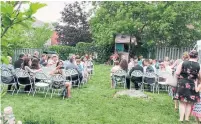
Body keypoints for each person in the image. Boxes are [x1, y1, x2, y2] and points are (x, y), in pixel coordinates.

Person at [174, 50, 201, 122]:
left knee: (182, 102)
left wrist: (182, 76)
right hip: (192, 84)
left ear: (189, 56)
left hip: (183, 83)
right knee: (189, 102)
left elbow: (177, 73)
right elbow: (200, 76)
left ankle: (181, 119)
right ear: (197, 57)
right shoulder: (199, 65)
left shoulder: (183, 63)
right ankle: (187, 118)